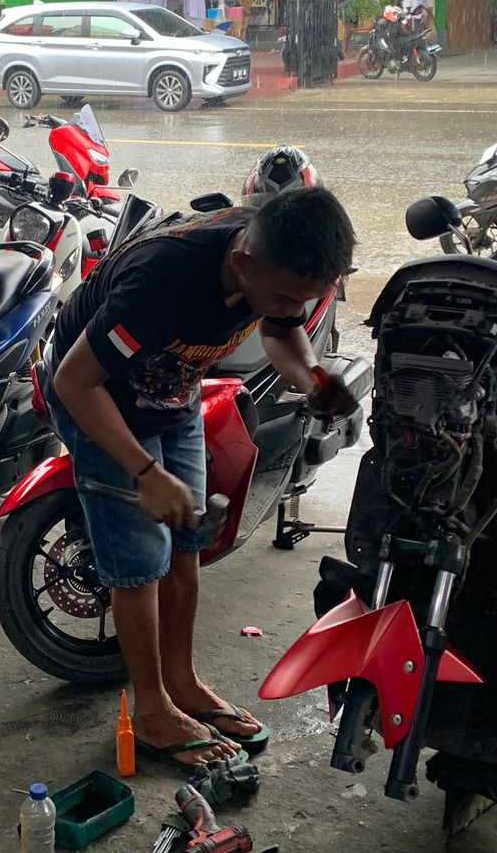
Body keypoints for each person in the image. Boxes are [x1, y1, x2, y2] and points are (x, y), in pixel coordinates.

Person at [47, 189, 358, 767]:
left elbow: (281, 330)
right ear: (243, 263)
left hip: (172, 391)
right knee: (139, 560)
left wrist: (312, 377)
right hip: (98, 397)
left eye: (309, 298)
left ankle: (181, 683)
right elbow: (74, 382)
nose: (295, 306)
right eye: (288, 295)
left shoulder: (275, 261)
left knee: (187, 542)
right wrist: (145, 472)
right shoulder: (161, 281)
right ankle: (151, 710)